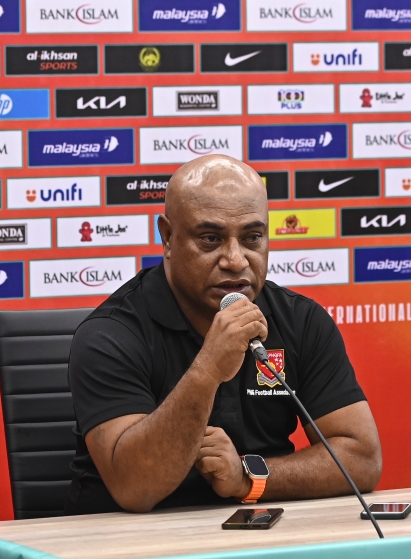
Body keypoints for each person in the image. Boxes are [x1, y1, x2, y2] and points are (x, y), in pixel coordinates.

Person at [65, 155, 382, 514]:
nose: (235, 260)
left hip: (258, 531)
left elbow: (362, 459)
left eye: (252, 238)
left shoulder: (301, 321)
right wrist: (208, 369)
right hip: (127, 540)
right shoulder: (109, 335)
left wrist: (247, 477)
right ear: (168, 237)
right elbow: (135, 488)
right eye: (210, 239)